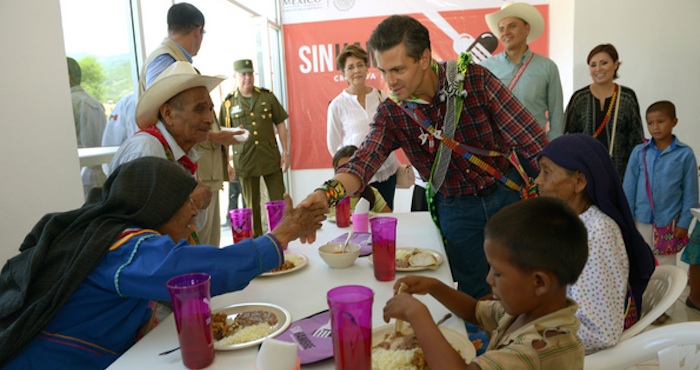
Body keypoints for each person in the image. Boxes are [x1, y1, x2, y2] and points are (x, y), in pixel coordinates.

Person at [299, 15, 547, 300]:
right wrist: (325, 194)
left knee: (522, 283)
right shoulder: (392, 111)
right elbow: (364, 160)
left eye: (398, 69)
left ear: (424, 58)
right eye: (383, 71)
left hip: (507, 198)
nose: (390, 81)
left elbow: (530, 138)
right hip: (456, 208)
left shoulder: (474, 80)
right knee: (475, 292)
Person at [0, 157, 326, 369]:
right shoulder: (120, 249)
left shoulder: (103, 233)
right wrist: (283, 234)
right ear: (159, 205)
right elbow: (198, 271)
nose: (193, 214)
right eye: (186, 202)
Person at [382, 197, 588, 369]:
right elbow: (475, 310)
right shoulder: (525, 310)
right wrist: (434, 287)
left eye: (498, 273)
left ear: (539, 283)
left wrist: (418, 315)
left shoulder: (538, 350)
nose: (489, 279)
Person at [535, 133, 656, 353]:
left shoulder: (596, 234)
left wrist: (531, 331)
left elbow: (600, 332)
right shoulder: (572, 222)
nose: (537, 181)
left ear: (579, 181)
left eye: (546, 172)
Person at [137, 2, 241, 246]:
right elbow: (169, 123)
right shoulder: (166, 62)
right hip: (181, 173)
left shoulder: (175, 61)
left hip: (194, 166)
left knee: (205, 242)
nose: (207, 118)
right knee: (198, 247)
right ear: (198, 31)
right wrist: (218, 137)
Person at [109, 61, 220, 241]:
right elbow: (136, 235)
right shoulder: (146, 151)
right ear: (168, 114)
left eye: (210, 109)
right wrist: (192, 202)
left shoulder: (185, 155)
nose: (209, 119)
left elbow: (192, 227)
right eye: (199, 109)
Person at [220, 59, 290, 238]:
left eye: (250, 73)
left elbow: (281, 124)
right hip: (245, 160)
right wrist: (226, 163)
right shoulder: (228, 104)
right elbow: (223, 135)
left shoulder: (267, 96)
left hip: (270, 157)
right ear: (235, 77)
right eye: (243, 74)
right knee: (252, 205)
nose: (247, 78)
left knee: (278, 201)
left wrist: (285, 152)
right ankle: (258, 242)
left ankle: (281, 237)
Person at [327, 44, 401, 209]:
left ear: (367, 67)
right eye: (351, 67)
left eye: (360, 65)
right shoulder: (337, 105)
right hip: (357, 176)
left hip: (385, 172)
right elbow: (334, 146)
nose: (357, 70)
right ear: (343, 73)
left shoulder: (381, 96)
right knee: (358, 223)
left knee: (385, 220)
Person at [624, 100, 698, 265]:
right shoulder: (639, 152)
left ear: (674, 122)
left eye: (660, 122)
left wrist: (684, 223)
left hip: (669, 224)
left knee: (665, 268)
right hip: (640, 221)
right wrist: (627, 220)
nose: (655, 127)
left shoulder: (685, 154)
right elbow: (628, 190)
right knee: (639, 264)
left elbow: (691, 193)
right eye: (650, 123)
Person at [481, 2, 564, 140]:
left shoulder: (547, 67)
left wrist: (552, 149)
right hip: (498, 149)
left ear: (527, 29)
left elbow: (557, 115)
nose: (505, 32)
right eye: (501, 29)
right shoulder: (485, 67)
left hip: (535, 147)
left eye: (512, 26)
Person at [564, 44, 644, 180]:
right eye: (593, 65)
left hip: (620, 175)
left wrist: (636, 174)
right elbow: (568, 136)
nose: (598, 69)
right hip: (584, 174)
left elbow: (636, 138)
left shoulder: (626, 96)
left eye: (604, 63)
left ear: (615, 65)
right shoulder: (579, 98)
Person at [67, 57, 107, 198]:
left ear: (68, 77)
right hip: (102, 175)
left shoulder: (70, 103)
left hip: (83, 177)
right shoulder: (95, 102)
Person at [332, 145, 391, 213]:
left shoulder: (372, 193)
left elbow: (388, 216)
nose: (346, 174)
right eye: (341, 170)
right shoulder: (331, 197)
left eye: (351, 169)